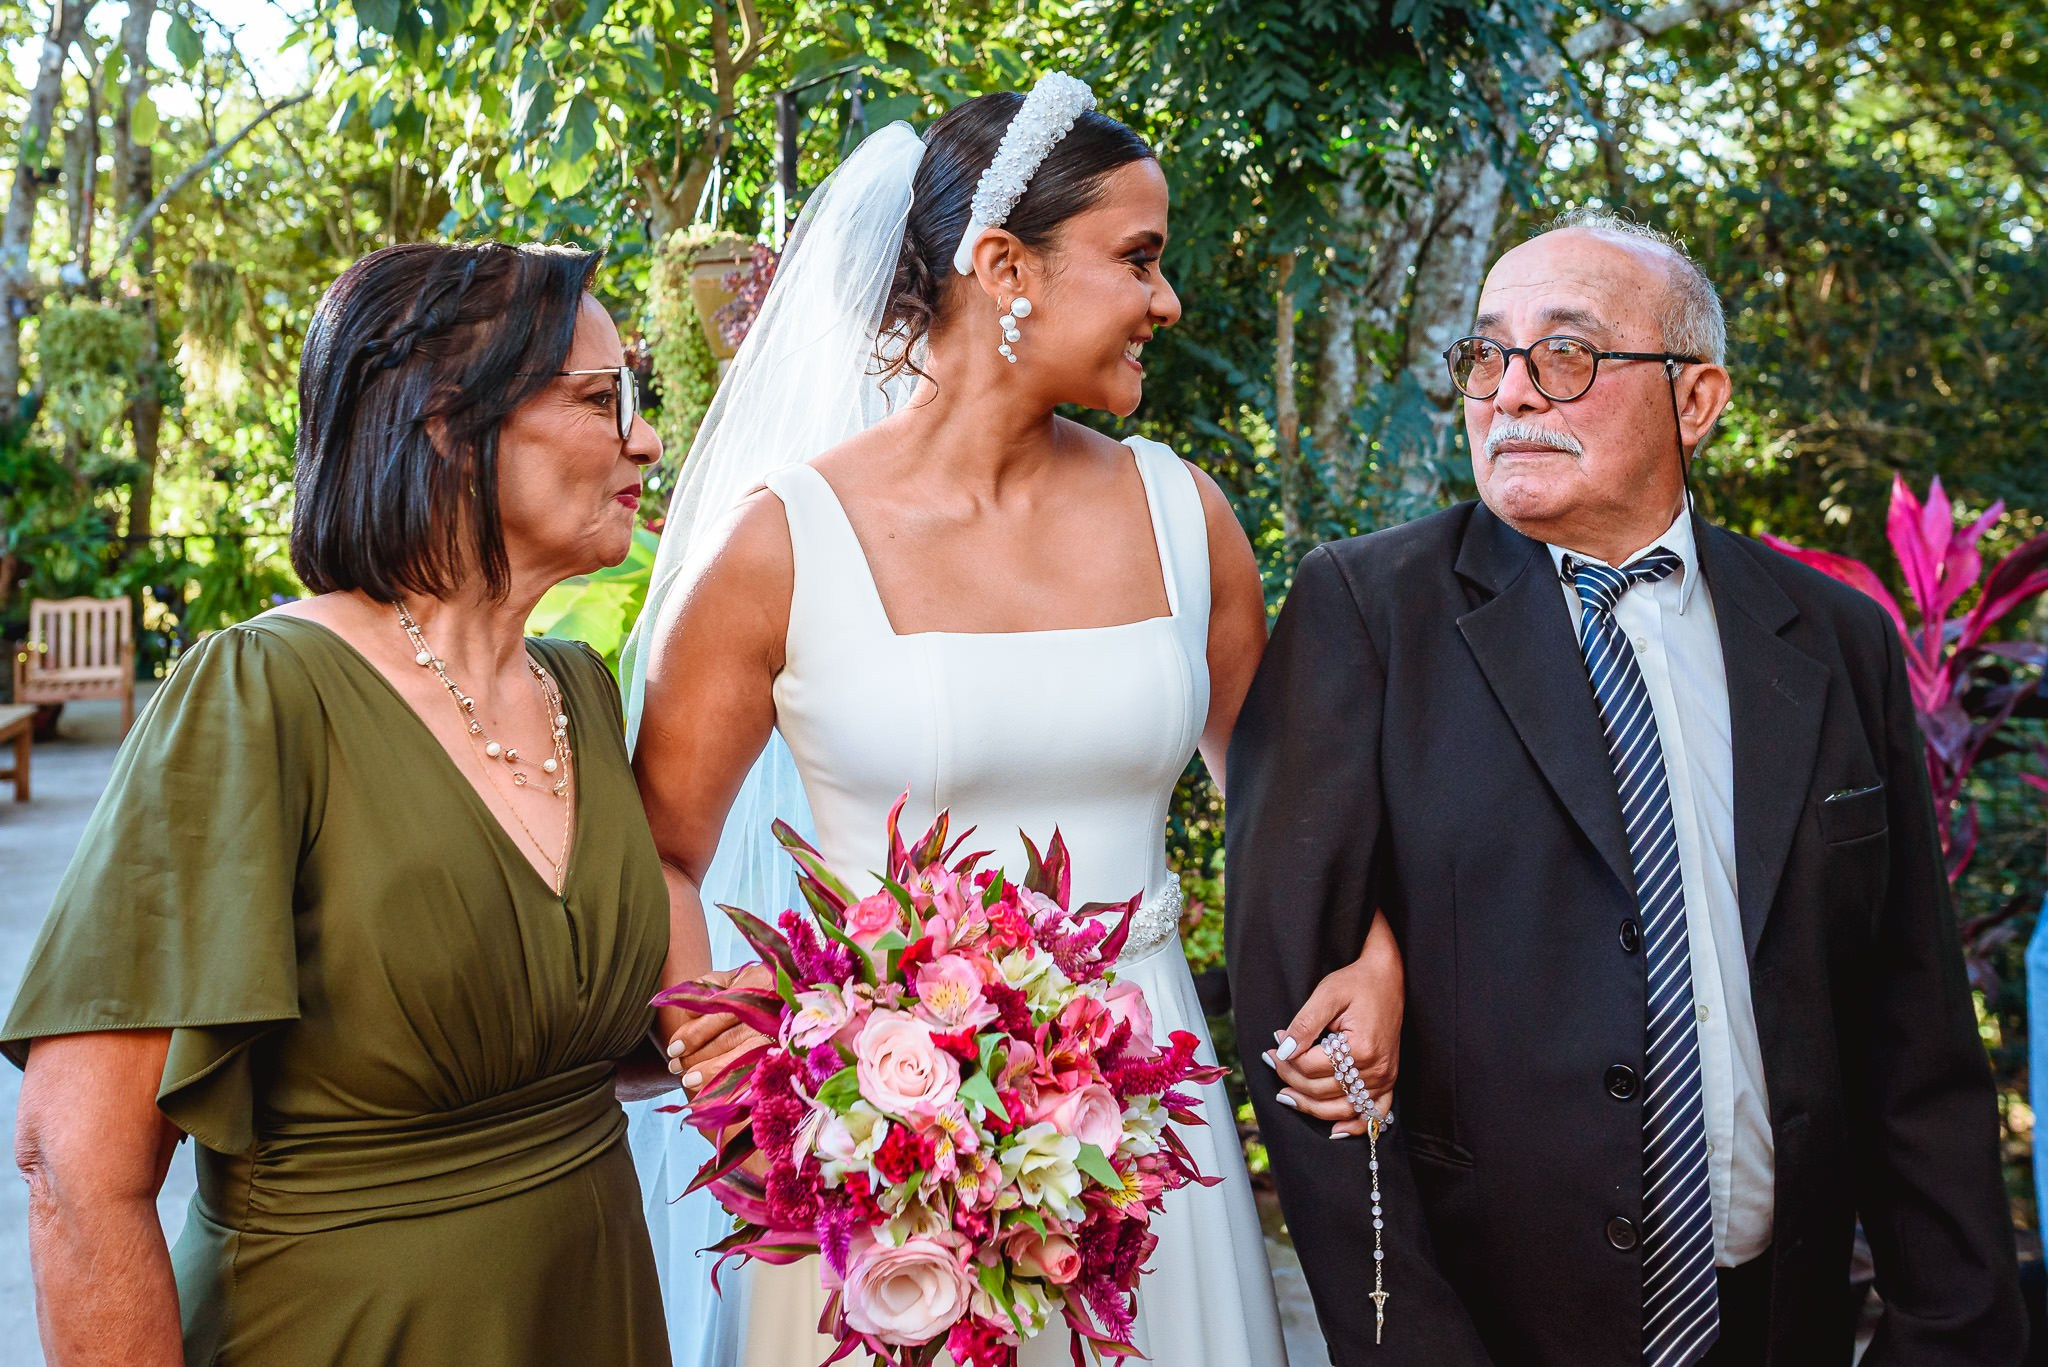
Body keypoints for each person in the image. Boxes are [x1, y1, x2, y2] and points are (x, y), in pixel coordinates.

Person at [1227, 211, 2028, 1366]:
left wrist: (1950, 1331)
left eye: (1564, 355)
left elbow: (1913, 1029)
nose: (1509, 394)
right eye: (1485, 357)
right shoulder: (1367, 612)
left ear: (1694, 400)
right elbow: (1299, 1048)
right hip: (1496, 1329)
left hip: (1779, 1313)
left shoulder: (1832, 638)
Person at [622, 79, 1313, 1366]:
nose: (1165, 302)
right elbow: (661, 842)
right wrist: (718, 1052)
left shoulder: (1185, 517)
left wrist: (1365, 956)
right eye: (1137, 259)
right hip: (883, 1136)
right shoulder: (785, 543)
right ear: (1004, 266)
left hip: (1144, 1120)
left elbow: (1289, 814)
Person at [6, 241, 675, 1366]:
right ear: (442, 422)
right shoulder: (259, 692)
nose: (645, 440)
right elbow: (74, 1164)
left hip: (591, 1306)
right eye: (602, 400)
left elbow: (571, 1026)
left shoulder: (583, 692)